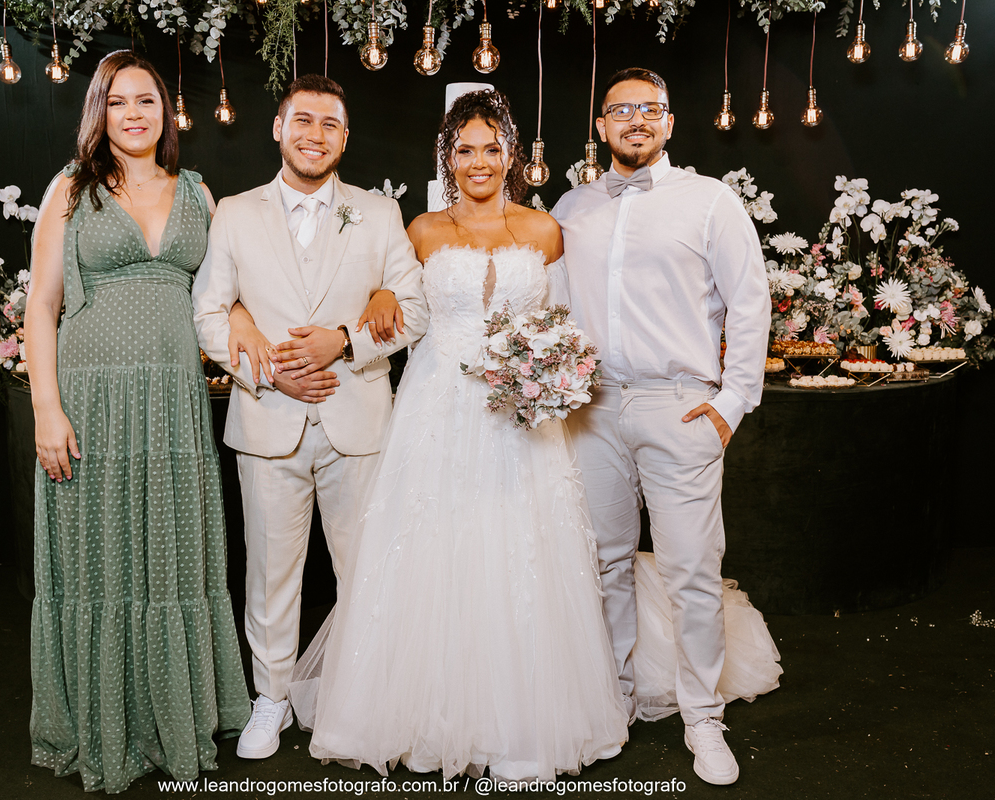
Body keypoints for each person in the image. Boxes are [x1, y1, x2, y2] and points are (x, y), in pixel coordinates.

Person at [299, 89, 630, 782]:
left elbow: (565, 320)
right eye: (465, 150)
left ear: (512, 155)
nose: (478, 161)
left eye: (491, 148)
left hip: (521, 415)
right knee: (434, 545)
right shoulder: (420, 230)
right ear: (447, 159)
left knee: (519, 548)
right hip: (437, 407)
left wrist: (553, 370)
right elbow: (396, 297)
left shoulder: (544, 230)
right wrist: (382, 294)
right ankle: (423, 713)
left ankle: (518, 721)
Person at [25, 50, 250, 793]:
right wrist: (47, 409)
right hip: (91, 404)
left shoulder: (198, 193)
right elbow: (41, 307)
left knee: (172, 562)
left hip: (173, 408)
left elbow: (226, 295)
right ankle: (105, 724)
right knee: (100, 563)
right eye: (117, 101)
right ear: (100, 111)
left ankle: (173, 721)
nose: (133, 114)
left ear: (165, 111)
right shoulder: (71, 189)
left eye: (146, 100)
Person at [191, 74, 429, 761]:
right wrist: (271, 369)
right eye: (303, 121)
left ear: (345, 138)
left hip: (360, 425)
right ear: (278, 128)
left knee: (366, 570)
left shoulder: (379, 213)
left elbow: (416, 311)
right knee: (269, 574)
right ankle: (271, 699)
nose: (315, 135)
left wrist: (345, 343)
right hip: (268, 421)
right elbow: (209, 312)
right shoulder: (234, 213)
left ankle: (369, 698)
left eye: (330, 124)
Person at [551, 67, 775, 786]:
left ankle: (702, 718)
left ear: (670, 123)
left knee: (691, 571)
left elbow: (750, 301)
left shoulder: (710, 202)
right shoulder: (572, 206)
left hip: (679, 406)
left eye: (650, 108)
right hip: (591, 407)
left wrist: (731, 404)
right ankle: (614, 699)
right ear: (601, 126)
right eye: (621, 110)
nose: (636, 120)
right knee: (605, 563)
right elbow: (552, 304)